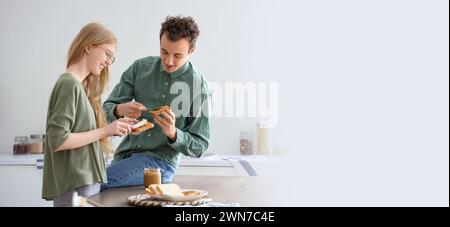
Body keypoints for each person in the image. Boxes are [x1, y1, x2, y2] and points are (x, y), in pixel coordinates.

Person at [101, 16, 211, 191]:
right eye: (164, 52)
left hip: (160, 163)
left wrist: (173, 133)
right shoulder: (140, 68)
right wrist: (119, 109)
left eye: (178, 56)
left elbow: (200, 145)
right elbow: (103, 111)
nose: (168, 61)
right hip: (123, 157)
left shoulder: (199, 87)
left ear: (192, 51)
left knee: (95, 184)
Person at [42, 22, 137, 206]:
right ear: (88, 47)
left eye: (112, 57)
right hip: (76, 183)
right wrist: (105, 131)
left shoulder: (80, 87)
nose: (109, 62)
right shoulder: (68, 84)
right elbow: (57, 140)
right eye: (107, 54)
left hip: (85, 182)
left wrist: (116, 126)